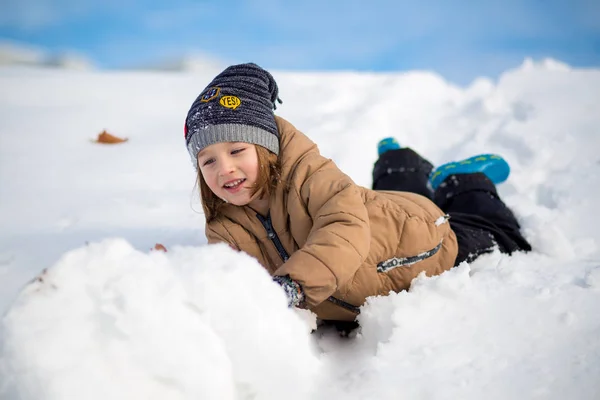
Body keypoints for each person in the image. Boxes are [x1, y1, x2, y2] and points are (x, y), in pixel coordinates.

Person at [184, 63, 531, 324]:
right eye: (207, 160)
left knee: (503, 236)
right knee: (388, 200)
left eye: (236, 151)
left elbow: (343, 228)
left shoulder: (311, 177)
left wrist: (294, 285)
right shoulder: (223, 225)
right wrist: (183, 279)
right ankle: (398, 162)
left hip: (419, 241)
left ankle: (463, 180)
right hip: (382, 220)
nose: (223, 168)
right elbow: (235, 281)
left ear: (267, 148)